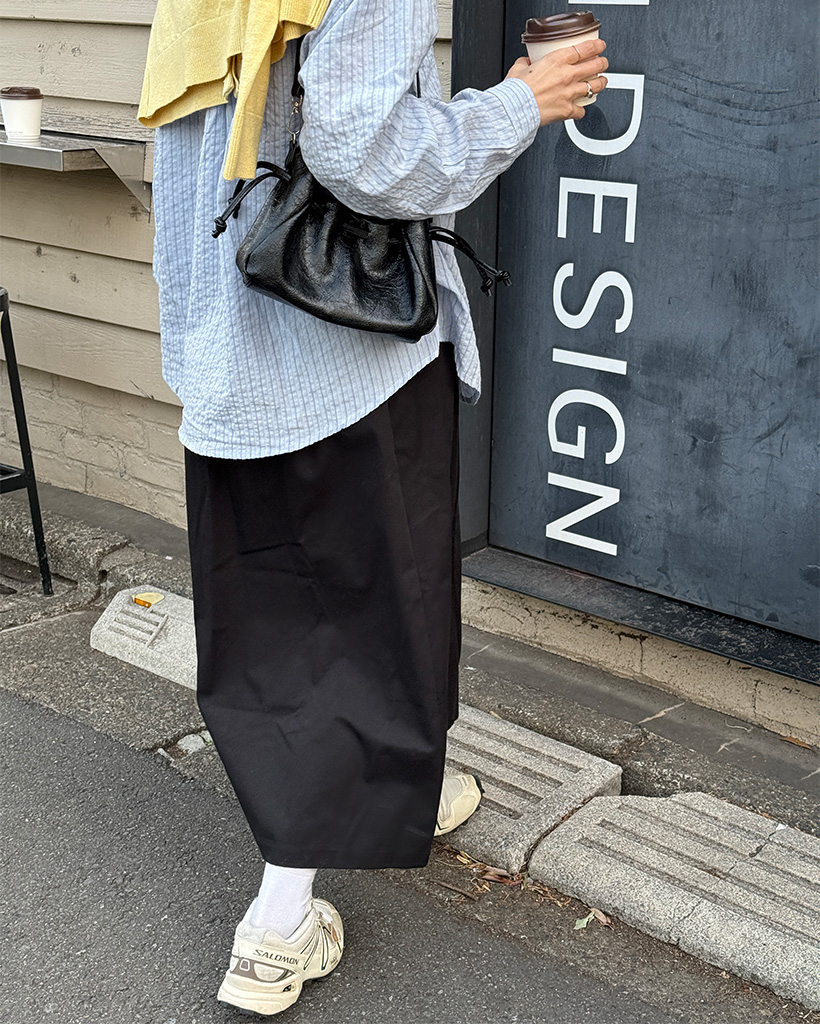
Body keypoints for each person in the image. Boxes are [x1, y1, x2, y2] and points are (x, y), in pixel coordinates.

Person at [142, 0, 608, 1015]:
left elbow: (193, 145)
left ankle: (401, 780)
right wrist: (521, 103)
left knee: (277, 609)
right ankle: (277, 923)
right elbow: (365, 153)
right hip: (341, 342)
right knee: (364, 609)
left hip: (228, 333)